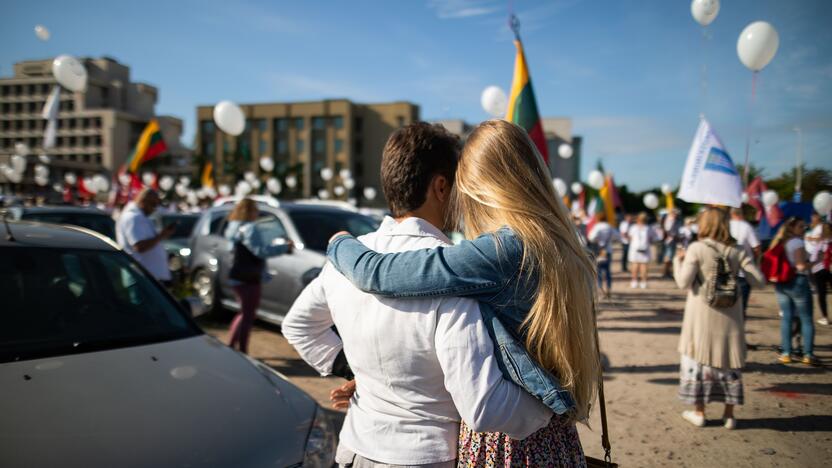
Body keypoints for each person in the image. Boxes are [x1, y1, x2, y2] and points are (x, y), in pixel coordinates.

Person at [325, 120, 599, 466]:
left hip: (510, 444)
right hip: (555, 440)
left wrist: (339, 243)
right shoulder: (562, 245)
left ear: (483, 187)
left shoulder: (503, 251)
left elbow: (379, 274)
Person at [673, 208, 764, 430]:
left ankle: (699, 412)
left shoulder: (697, 247)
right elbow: (759, 281)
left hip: (700, 315)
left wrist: (678, 261)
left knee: (699, 360)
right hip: (731, 316)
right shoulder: (736, 249)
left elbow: (683, 283)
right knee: (727, 361)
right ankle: (729, 415)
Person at [223, 198, 291, 354]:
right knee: (248, 315)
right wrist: (283, 247)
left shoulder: (233, 227)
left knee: (243, 312)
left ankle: (232, 346)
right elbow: (260, 251)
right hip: (249, 277)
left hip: (236, 274)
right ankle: (241, 350)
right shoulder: (250, 229)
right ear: (249, 211)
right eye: (255, 209)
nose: (258, 213)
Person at [768, 217, 820, 366]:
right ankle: (808, 354)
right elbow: (801, 266)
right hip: (797, 281)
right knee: (806, 319)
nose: (804, 229)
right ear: (792, 228)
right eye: (801, 226)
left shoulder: (781, 242)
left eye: (804, 226)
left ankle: (786, 353)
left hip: (782, 282)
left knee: (787, 317)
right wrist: (817, 261)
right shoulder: (797, 242)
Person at [115, 188, 175, 284]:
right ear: (143, 201)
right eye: (153, 204)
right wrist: (161, 236)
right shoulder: (134, 218)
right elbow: (139, 246)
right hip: (142, 278)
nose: (155, 208)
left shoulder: (140, 217)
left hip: (148, 278)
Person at [729, 208, 761, 318]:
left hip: (727, 270)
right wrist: (756, 262)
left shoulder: (725, 225)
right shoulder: (746, 227)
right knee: (741, 308)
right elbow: (756, 247)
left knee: (727, 306)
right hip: (744, 270)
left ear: (731, 214)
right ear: (742, 214)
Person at [588, 212, 620, 299]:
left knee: (599, 272)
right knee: (608, 272)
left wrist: (597, 240)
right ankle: (609, 290)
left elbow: (591, 237)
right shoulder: (610, 227)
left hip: (599, 251)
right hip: (608, 250)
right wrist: (610, 240)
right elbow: (617, 236)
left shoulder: (597, 227)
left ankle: (601, 291)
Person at [805, 217, 831, 326]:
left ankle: (825, 317)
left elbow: (813, 257)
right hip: (830, 269)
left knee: (822, 294)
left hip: (819, 270)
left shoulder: (820, 243)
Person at [628, 212, 655, 289]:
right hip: (645, 248)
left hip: (634, 248)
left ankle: (634, 281)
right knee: (644, 266)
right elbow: (652, 238)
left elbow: (630, 237)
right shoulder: (648, 228)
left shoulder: (633, 227)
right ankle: (644, 282)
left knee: (635, 265)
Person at [661, 209, 682, 278]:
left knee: (670, 257)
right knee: (668, 257)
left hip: (673, 240)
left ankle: (668, 272)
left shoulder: (675, 220)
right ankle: (666, 272)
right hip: (669, 241)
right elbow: (668, 230)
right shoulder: (669, 220)